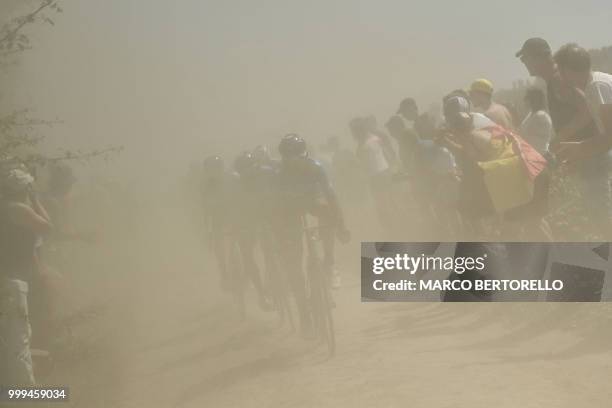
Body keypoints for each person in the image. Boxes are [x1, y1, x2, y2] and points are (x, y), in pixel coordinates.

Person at [437, 93, 551, 240]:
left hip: (521, 173)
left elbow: (475, 157)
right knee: (534, 222)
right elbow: (479, 151)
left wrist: (450, 142)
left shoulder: (470, 132)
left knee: (515, 229)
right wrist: (450, 142)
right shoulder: (479, 122)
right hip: (532, 165)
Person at [274, 134, 350, 336]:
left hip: (311, 204)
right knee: (294, 263)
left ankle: (330, 261)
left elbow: (331, 197)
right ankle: (304, 316)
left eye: (297, 155)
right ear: (284, 157)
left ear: (304, 154)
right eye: (289, 156)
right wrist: (280, 238)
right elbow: (275, 209)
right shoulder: (279, 173)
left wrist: (341, 226)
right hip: (289, 212)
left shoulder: (316, 167)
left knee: (327, 213)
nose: (293, 160)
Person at [0, 167, 53, 385]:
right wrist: (36, 200)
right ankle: (26, 396)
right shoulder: (17, 208)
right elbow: (48, 227)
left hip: (8, 281)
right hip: (10, 283)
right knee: (19, 342)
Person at [520, 87, 554, 156]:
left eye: (527, 98)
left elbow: (527, 134)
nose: (525, 100)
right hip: (530, 154)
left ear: (534, 100)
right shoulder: (531, 113)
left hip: (540, 154)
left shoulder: (540, 116)